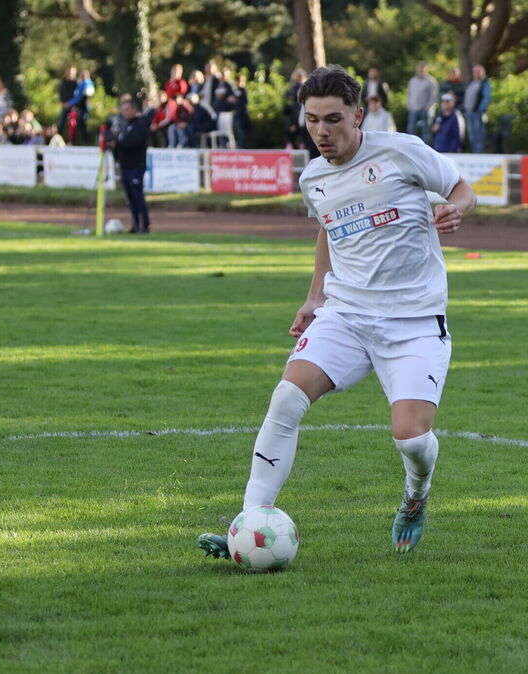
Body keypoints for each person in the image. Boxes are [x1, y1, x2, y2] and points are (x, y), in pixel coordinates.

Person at [197, 65, 476, 561]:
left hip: (413, 321)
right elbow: (329, 227)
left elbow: (461, 188)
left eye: (333, 119)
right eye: (311, 121)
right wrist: (314, 296)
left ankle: (416, 494)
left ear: (358, 114)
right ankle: (246, 524)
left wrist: (457, 209)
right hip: (346, 313)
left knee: (411, 438)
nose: (322, 132)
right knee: (285, 399)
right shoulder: (314, 177)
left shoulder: (402, 150)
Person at [107, 95, 150, 234]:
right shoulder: (125, 125)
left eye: (126, 109)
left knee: (138, 196)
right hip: (125, 166)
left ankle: (144, 225)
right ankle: (135, 224)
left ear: (133, 110)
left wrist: (118, 144)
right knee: (130, 198)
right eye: (122, 110)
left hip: (136, 166)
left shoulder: (140, 124)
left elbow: (134, 143)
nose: (123, 112)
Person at [405, 62, 437, 144]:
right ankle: (411, 148)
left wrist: (427, 108)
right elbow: (409, 94)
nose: (421, 70)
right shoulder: (412, 80)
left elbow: (433, 96)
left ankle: (426, 150)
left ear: (426, 70)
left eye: (423, 69)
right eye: (419, 68)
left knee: (426, 132)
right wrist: (409, 106)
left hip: (425, 110)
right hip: (413, 110)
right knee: (411, 131)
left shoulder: (431, 81)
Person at [463, 64, 491, 153]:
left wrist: (481, 109)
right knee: (472, 133)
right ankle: (474, 151)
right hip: (469, 111)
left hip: (477, 112)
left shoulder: (484, 83)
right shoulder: (472, 83)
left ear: (483, 72)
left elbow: (486, 97)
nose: (476, 73)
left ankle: (479, 152)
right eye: (475, 71)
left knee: (478, 133)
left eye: (478, 71)